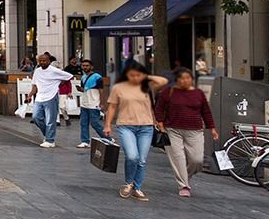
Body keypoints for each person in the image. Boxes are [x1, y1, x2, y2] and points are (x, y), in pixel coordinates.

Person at [103, 60, 167, 201]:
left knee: (142, 159)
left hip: (146, 126)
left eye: (138, 75)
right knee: (132, 156)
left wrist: (147, 77)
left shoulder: (148, 87)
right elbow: (112, 107)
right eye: (132, 75)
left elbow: (164, 81)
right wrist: (107, 125)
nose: (135, 78)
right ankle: (128, 183)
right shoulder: (119, 88)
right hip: (126, 126)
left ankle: (137, 188)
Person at [154, 67, 218, 198]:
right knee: (178, 158)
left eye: (188, 78)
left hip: (195, 130)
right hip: (172, 129)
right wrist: (160, 121)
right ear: (177, 80)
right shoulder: (169, 92)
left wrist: (212, 127)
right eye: (182, 78)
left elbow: (206, 111)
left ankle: (185, 176)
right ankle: (184, 185)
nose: (185, 81)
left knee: (197, 160)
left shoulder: (198, 93)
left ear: (192, 80)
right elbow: (159, 107)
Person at [26, 52, 75, 148]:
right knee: (36, 117)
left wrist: (59, 84)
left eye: (44, 60)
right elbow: (34, 85)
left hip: (51, 97)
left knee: (50, 120)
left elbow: (69, 76)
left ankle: (50, 140)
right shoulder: (37, 71)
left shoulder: (54, 70)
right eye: (40, 61)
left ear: (49, 61)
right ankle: (47, 135)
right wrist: (30, 95)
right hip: (40, 97)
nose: (42, 62)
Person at [74, 58, 106, 149]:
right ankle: (85, 141)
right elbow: (85, 89)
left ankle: (106, 137)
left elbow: (101, 90)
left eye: (87, 66)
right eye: (83, 66)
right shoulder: (83, 77)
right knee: (83, 123)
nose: (85, 67)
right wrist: (80, 89)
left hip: (94, 103)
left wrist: (102, 103)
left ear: (91, 67)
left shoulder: (97, 77)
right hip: (85, 103)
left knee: (95, 123)